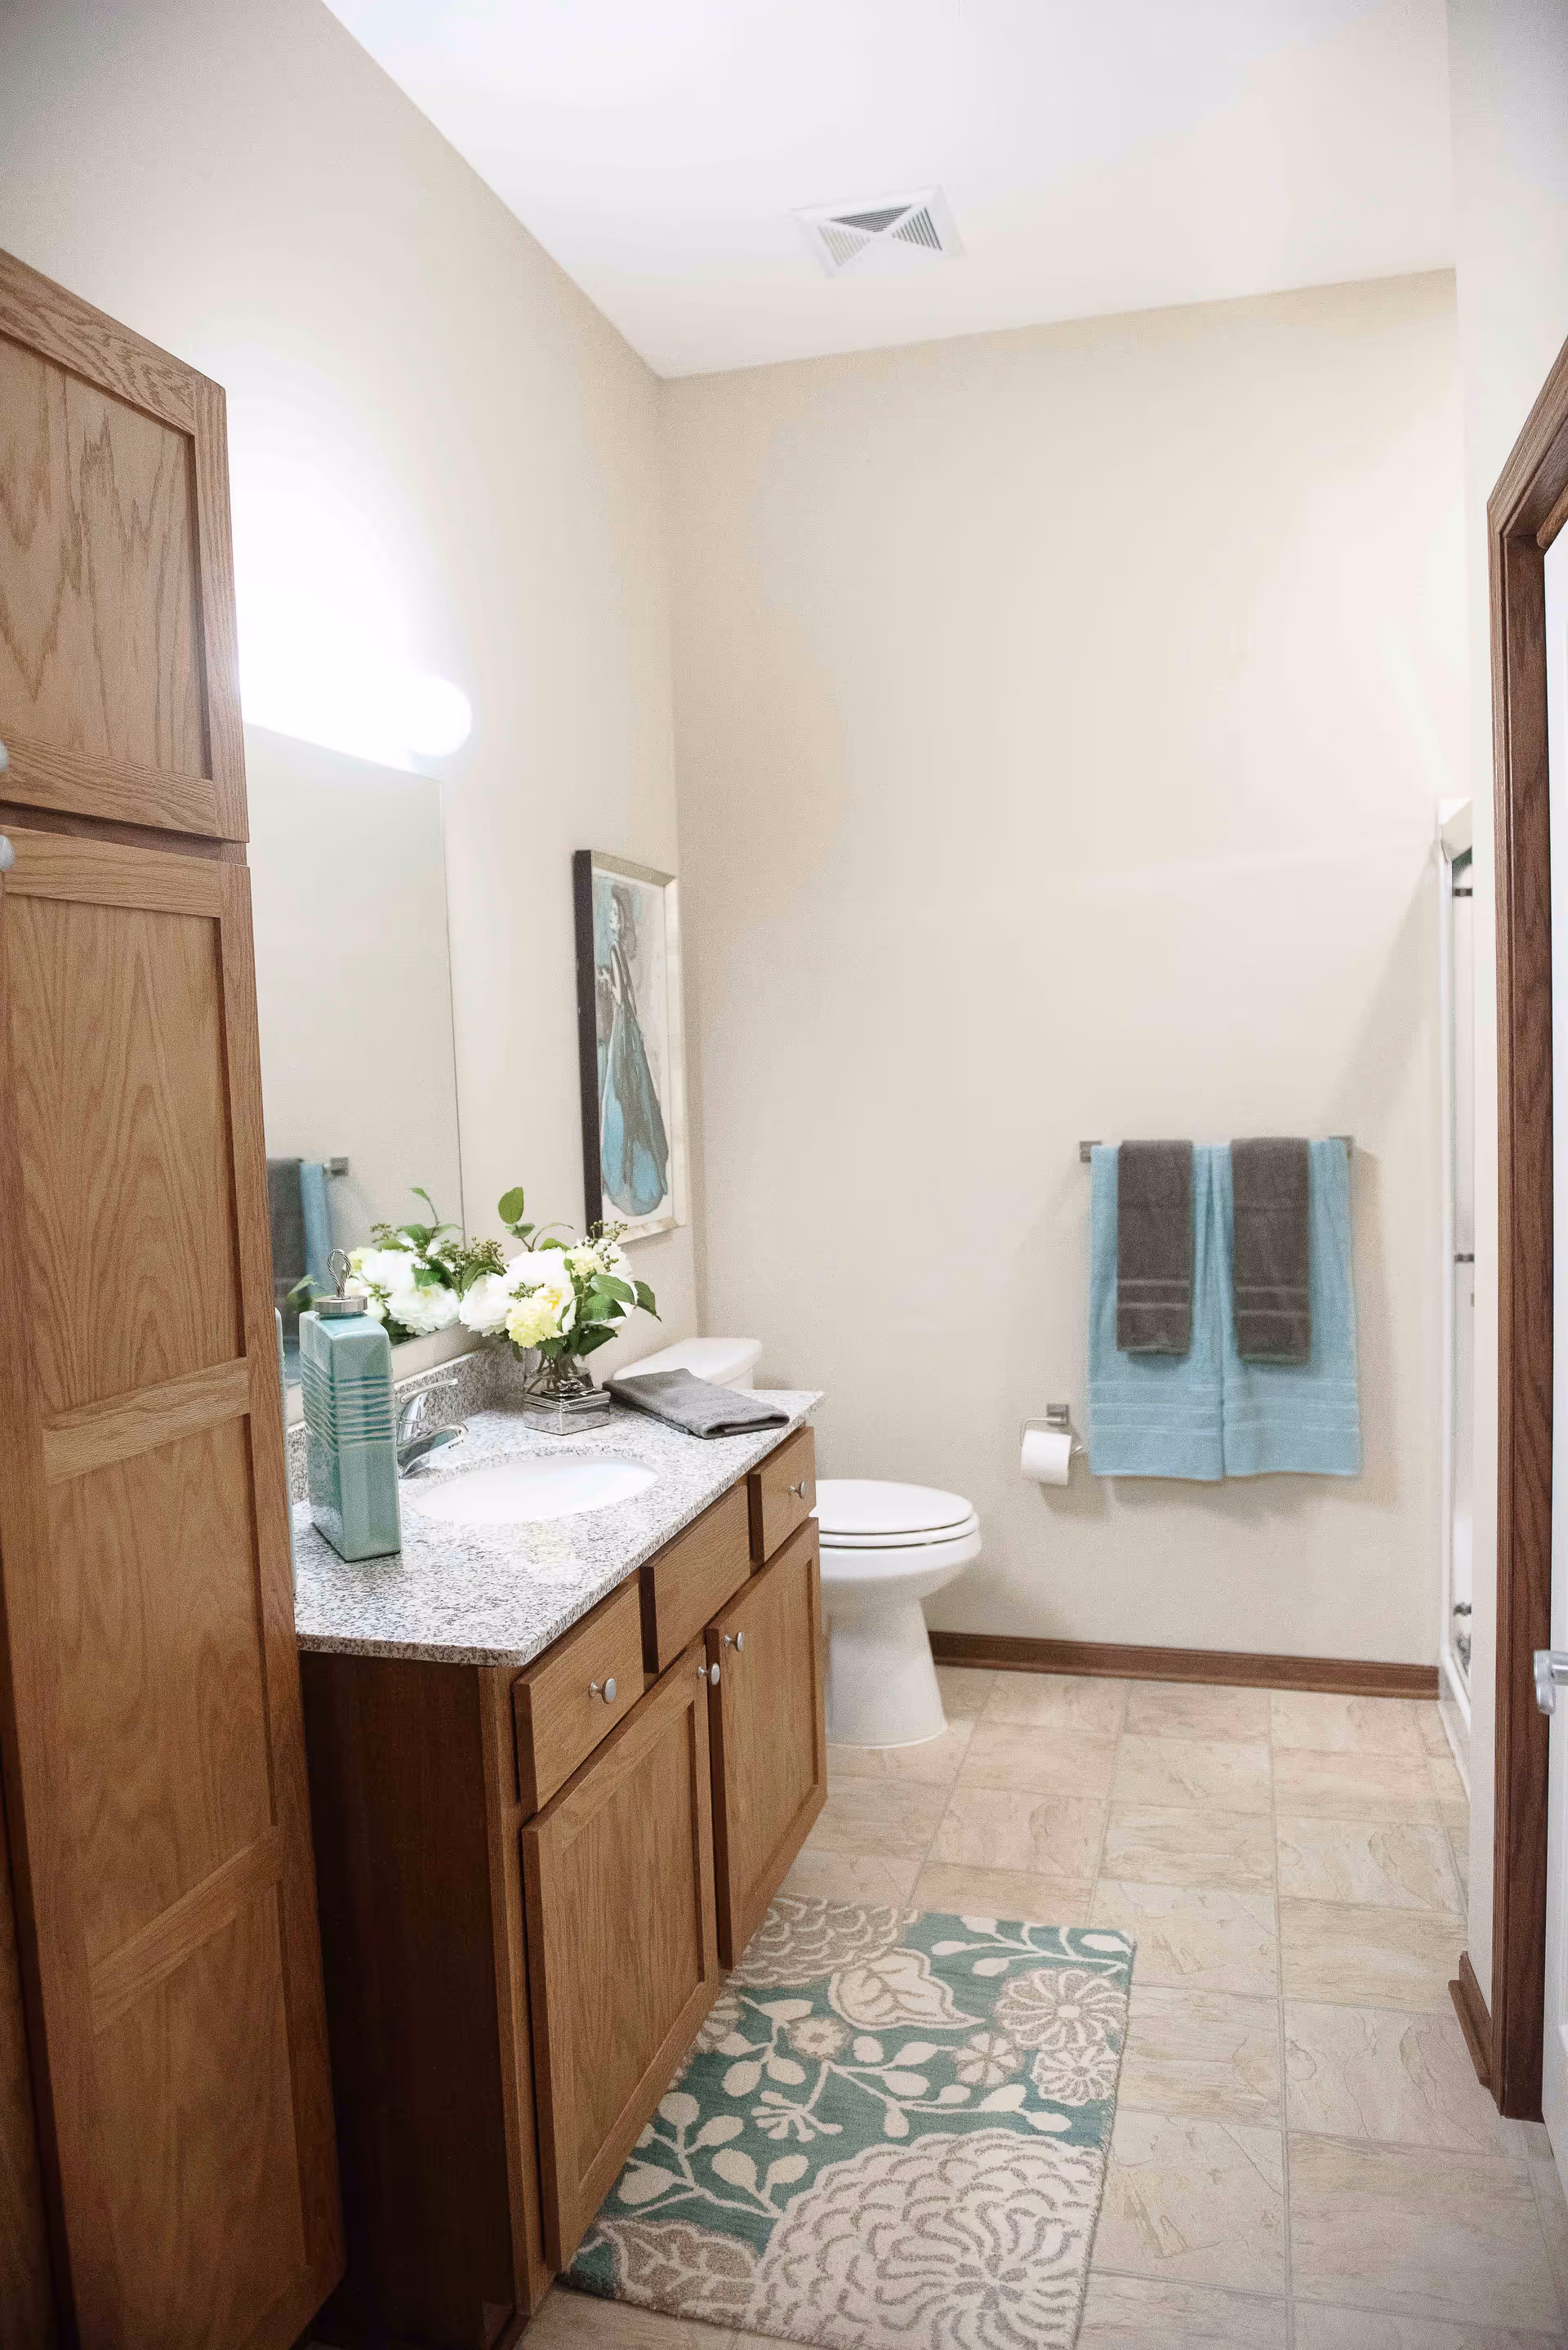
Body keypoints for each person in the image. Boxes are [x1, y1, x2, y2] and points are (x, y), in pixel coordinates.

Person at [597, 881, 670, 1218]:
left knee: (625, 1098)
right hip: (627, 1031)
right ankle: (634, 1170)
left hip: (624, 1032)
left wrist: (609, 987)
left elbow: (623, 998)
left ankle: (626, 1172)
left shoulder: (617, 952)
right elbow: (626, 998)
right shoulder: (619, 951)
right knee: (632, 1099)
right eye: (610, 913)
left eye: (615, 912)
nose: (612, 918)